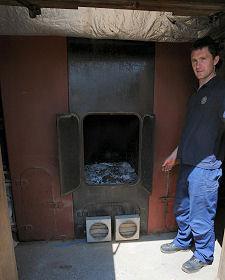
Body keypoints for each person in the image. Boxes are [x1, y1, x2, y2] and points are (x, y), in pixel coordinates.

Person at [160, 36, 225, 274]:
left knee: (201, 215)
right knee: (182, 208)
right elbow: (190, 131)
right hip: (187, 162)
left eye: (203, 59)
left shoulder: (221, 91)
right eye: (194, 60)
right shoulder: (196, 94)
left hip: (206, 167)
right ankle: (183, 241)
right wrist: (174, 154)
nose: (198, 65)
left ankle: (204, 254)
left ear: (215, 60)